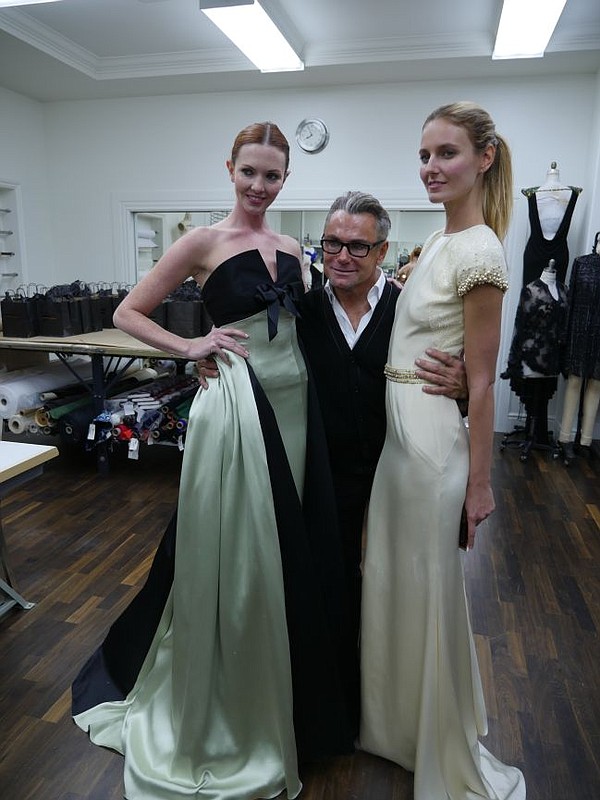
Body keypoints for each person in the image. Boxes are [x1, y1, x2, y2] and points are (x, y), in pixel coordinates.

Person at [71, 121, 355, 800]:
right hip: (236, 403)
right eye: (250, 172)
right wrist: (190, 347)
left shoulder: (292, 245)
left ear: (286, 180)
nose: (260, 186)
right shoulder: (201, 242)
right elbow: (129, 311)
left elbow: (317, 325)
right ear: (230, 169)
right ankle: (234, 700)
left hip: (296, 408)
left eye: (273, 175)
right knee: (246, 548)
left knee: (296, 544)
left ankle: (295, 698)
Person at [197, 190, 468, 735]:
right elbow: (257, 357)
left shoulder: (407, 311)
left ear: (383, 250)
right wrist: (205, 359)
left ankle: (397, 702)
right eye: (332, 244)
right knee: (331, 585)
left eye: (357, 246)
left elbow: (452, 372)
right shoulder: (298, 309)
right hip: (320, 475)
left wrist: (460, 383)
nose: (342, 256)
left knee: (399, 586)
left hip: (398, 470)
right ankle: (335, 702)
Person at [360, 102, 527, 799]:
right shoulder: (433, 244)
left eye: (447, 154)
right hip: (397, 438)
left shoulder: (483, 251)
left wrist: (481, 486)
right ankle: (397, 727)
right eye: (424, 155)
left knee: (426, 590)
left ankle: (435, 739)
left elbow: (483, 380)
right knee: (391, 583)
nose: (431, 168)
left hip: (431, 443)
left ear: (483, 158)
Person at [521, 162, 581, 286]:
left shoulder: (572, 192)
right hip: (534, 254)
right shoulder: (531, 193)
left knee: (556, 300)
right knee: (530, 298)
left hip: (559, 256)